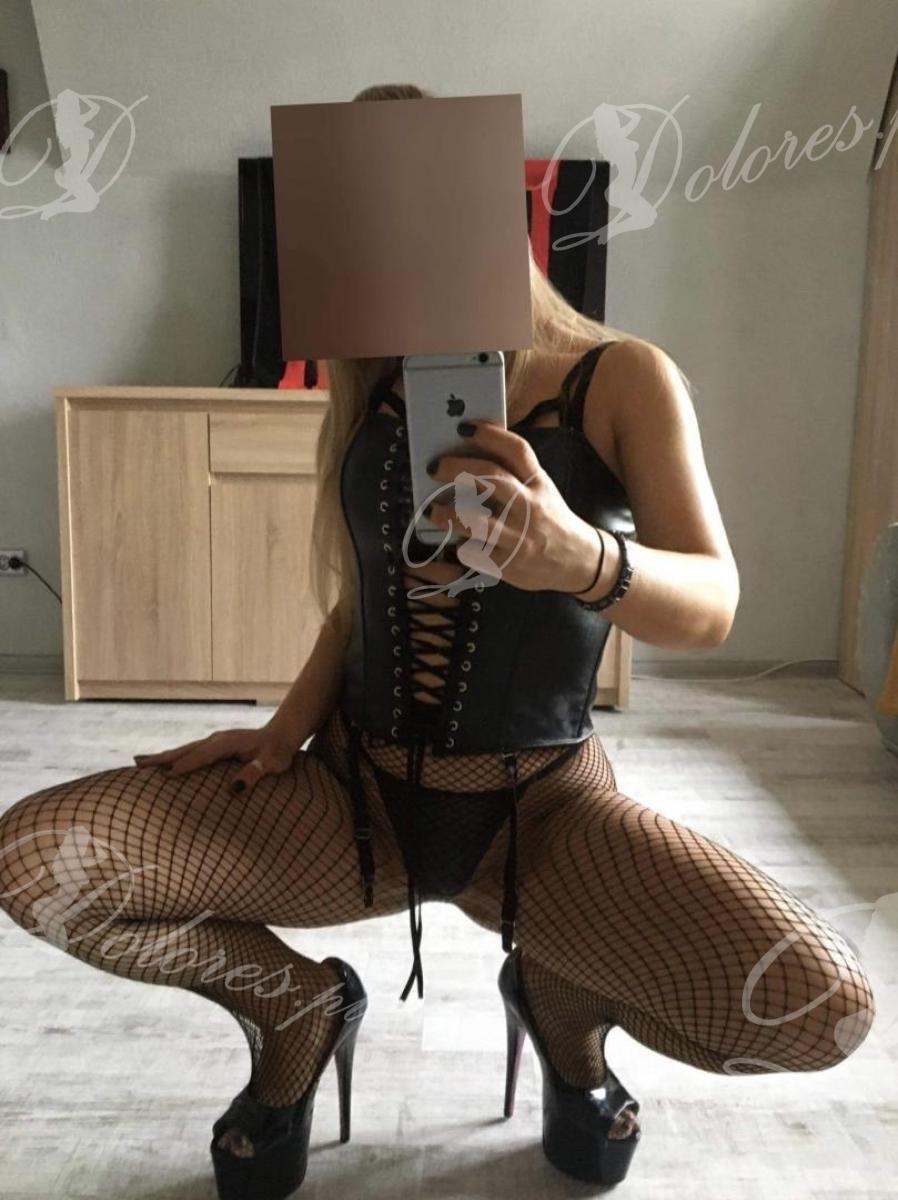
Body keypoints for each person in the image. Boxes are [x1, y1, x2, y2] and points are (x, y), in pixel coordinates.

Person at [0, 82, 876, 1199]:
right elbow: (360, 598)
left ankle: (561, 1004)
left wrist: (580, 559)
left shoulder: (618, 377)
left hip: (545, 812)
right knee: (38, 867)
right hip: (354, 800)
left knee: (820, 1010)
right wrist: (282, 731)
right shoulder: (376, 387)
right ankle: (294, 1012)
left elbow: (713, 604)